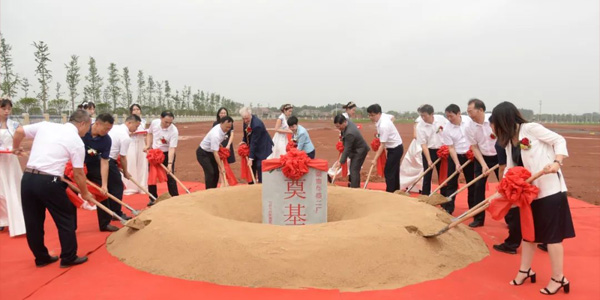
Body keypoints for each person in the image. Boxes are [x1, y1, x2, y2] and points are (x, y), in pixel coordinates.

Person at [491, 101, 574, 295]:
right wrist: (500, 192)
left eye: (494, 122)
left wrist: (557, 162)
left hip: (550, 190)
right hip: (529, 194)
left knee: (552, 238)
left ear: (504, 120)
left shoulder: (531, 129)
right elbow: (510, 169)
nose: (492, 127)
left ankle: (559, 278)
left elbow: (559, 140)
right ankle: (525, 270)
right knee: (529, 235)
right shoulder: (510, 141)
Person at [11, 110, 95, 268]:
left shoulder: (45, 125)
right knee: (65, 218)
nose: (88, 131)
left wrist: (15, 148)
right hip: (49, 181)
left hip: (28, 179)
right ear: (82, 123)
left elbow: (19, 131)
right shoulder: (76, 141)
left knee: (33, 222)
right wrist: (84, 193)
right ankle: (68, 257)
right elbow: (78, 173)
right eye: (88, 127)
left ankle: (41, 258)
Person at [465, 98, 500, 228]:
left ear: (480, 110)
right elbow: (474, 147)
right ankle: (478, 218)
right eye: (467, 112)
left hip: (499, 156)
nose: (469, 115)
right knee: (478, 187)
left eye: (471, 111)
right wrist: (483, 164)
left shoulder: (495, 120)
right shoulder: (469, 126)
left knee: (506, 186)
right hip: (482, 157)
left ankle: (511, 218)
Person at [82, 113, 117, 232]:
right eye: (106, 128)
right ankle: (71, 225)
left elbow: (104, 162)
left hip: (93, 164)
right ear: (97, 124)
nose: (107, 131)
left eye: (110, 129)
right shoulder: (82, 132)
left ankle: (105, 223)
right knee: (69, 192)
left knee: (102, 193)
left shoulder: (106, 140)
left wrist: (104, 185)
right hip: (75, 165)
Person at [440, 104, 475, 215]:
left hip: (470, 156)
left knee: (471, 183)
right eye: (447, 117)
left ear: (459, 114)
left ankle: (473, 209)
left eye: (451, 116)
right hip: (455, 155)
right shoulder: (447, 129)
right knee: (451, 183)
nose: (449, 119)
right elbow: (451, 148)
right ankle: (449, 209)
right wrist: (456, 163)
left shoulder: (469, 121)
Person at [106, 115, 141, 219]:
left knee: (110, 186)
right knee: (117, 187)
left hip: (105, 159)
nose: (136, 129)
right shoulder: (125, 137)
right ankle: (116, 212)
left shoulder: (116, 127)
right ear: (129, 123)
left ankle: (110, 211)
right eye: (136, 126)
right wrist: (125, 172)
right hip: (109, 161)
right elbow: (123, 157)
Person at [0, 97, 26, 236]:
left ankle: (17, 222)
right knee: (1, 191)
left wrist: (16, 148)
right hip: (0, 161)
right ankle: (3, 220)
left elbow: (20, 137)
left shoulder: (14, 124)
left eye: (9, 109)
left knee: (13, 189)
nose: (6, 111)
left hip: (11, 160)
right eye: (3, 109)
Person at [145, 111, 179, 205]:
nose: (168, 124)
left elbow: (172, 148)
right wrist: (148, 145)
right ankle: (153, 198)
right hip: (154, 153)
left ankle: (174, 197)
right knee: (152, 176)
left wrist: (169, 163)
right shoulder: (154, 123)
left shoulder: (174, 131)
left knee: (170, 175)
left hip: (167, 153)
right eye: (166, 122)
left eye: (170, 122)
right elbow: (149, 133)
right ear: (161, 118)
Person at [367, 104, 403, 193]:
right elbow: (392, 117)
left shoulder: (384, 125)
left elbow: (382, 145)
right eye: (369, 115)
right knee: (394, 171)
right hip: (393, 148)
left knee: (388, 171)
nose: (370, 117)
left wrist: (375, 159)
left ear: (379, 113)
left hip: (396, 149)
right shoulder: (385, 116)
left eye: (372, 115)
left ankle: (390, 192)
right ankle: (396, 191)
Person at [415, 104, 448, 195]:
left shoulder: (441, 119)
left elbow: (448, 131)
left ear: (432, 114)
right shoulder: (420, 126)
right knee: (427, 174)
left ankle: (443, 196)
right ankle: (425, 196)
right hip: (428, 151)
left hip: (442, 151)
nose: (423, 118)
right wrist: (429, 160)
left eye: (424, 115)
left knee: (443, 174)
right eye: (421, 115)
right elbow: (423, 144)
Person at [332, 114, 369, 188]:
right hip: (355, 149)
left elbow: (347, 149)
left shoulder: (350, 133)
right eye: (336, 126)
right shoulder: (347, 123)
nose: (338, 128)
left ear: (344, 122)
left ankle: (354, 188)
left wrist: (341, 162)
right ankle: (356, 186)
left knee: (354, 169)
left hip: (360, 150)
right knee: (354, 168)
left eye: (339, 126)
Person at [197, 116, 234, 189]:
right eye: (226, 127)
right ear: (221, 123)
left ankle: (213, 190)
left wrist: (218, 144)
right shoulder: (216, 134)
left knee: (216, 173)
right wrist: (221, 167)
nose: (227, 129)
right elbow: (215, 153)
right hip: (203, 153)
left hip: (210, 152)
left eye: (229, 127)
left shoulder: (222, 129)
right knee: (210, 172)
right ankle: (209, 191)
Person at [239, 107, 273, 183]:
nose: (245, 121)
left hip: (263, 147)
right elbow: (246, 134)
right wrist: (243, 141)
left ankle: (262, 185)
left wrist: (251, 158)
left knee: (260, 165)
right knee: (252, 166)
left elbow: (254, 142)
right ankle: (252, 185)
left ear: (250, 115)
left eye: (246, 118)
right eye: (243, 119)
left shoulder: (257, 125)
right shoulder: (246, 122)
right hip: (255, 146)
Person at [123, 104, 148, 195]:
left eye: (138, 109)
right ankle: (130, 187)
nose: (136, 111)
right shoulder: (128, 121)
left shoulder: (143, 122)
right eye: (134, 109)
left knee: (142, 164)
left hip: (141, 143)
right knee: (131, 163)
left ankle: (142, 186)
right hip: (131, 143)